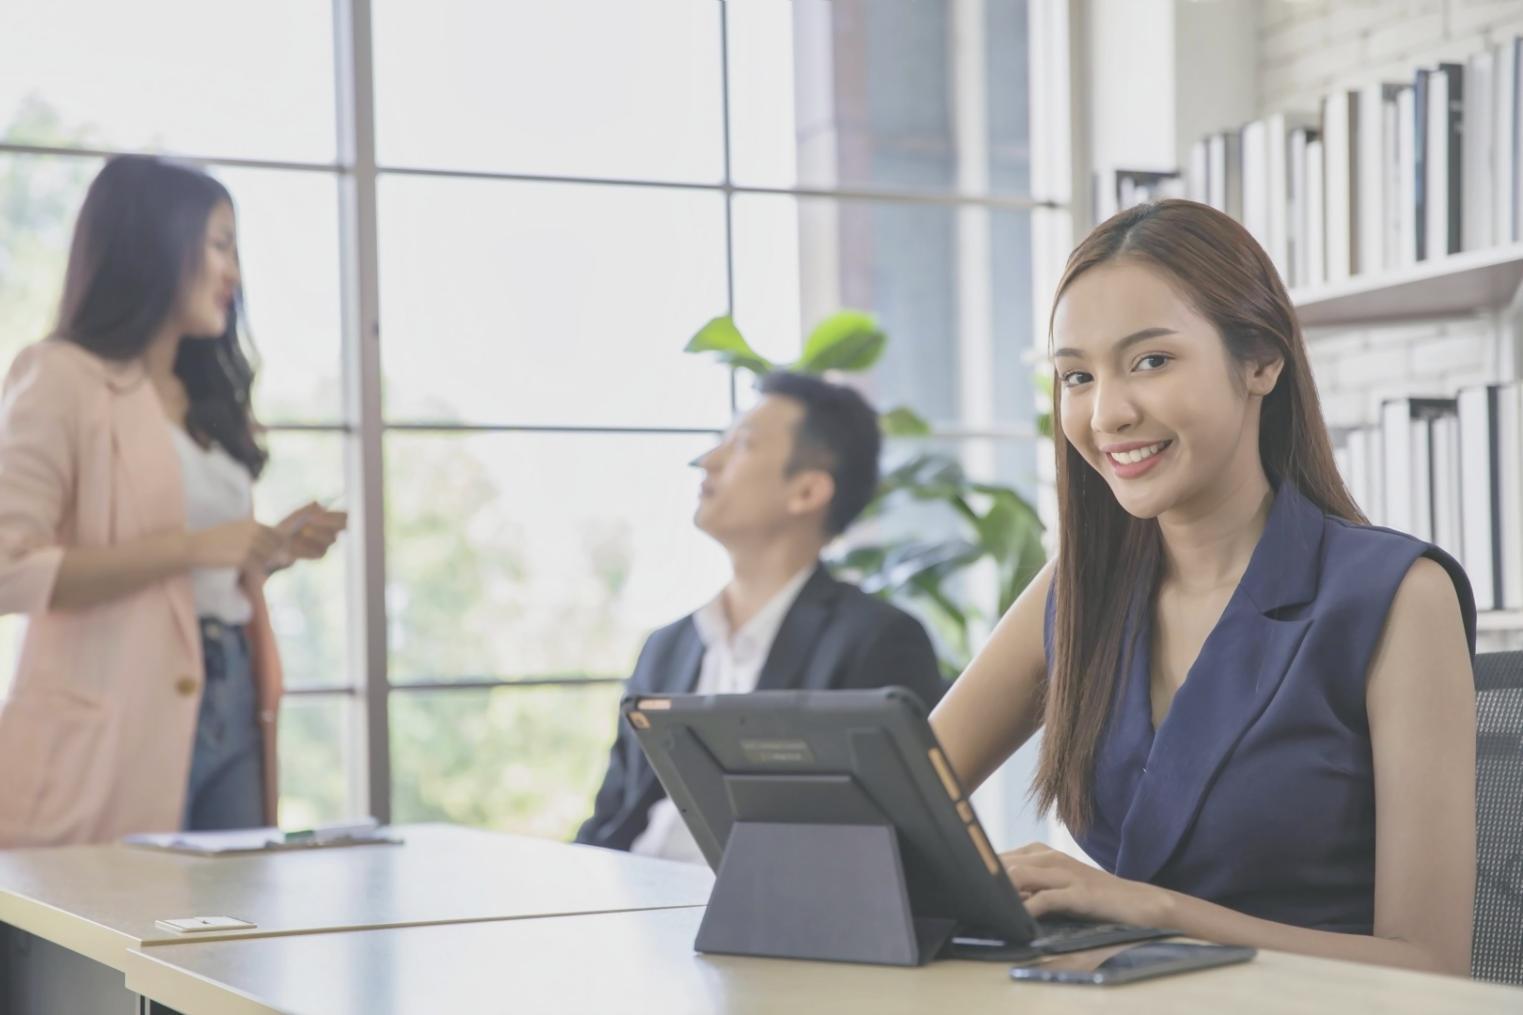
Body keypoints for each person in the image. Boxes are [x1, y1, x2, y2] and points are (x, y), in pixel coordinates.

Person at [932, 199, 1477, 976]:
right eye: (1075, 377)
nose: (1107, 413)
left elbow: (1429, 962)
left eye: (1149, 361)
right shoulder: (1078, 592)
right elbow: (894, 804)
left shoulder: (1393, 594)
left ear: (1259, 360)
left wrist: (1155, 911)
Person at [0, 155, 347, 846]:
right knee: (111, 933)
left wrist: (265, 551)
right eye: (220, 245)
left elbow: (195, 578)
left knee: (230, 937)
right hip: (111, 716)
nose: (235, 274)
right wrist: (193, 548)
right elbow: (9, 569)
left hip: (237, 692)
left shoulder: (208, 403)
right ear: (157, 243)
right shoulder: (61, 377)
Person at [577, 371, 946, 861]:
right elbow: (610, 822)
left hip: (763, 923)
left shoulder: (877, 641)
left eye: (742, 445)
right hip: (630, 900)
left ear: (808, 492)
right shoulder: (666, 647)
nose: (707, 461)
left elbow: (887, 854)